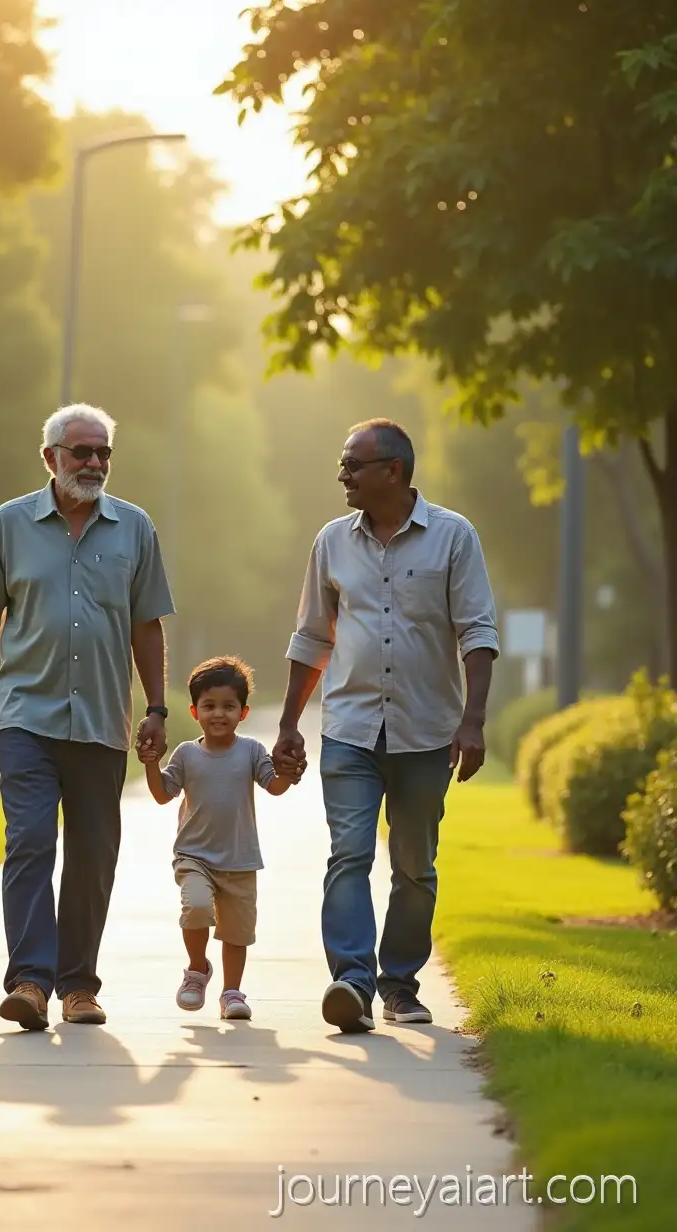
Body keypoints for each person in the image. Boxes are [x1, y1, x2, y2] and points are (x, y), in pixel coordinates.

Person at [272, 418, 500, 1034]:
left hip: (427, 732)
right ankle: (352, 981)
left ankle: (400, 984)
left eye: (353, 464)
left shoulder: (454, 537)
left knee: (414, 865)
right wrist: (291, 723)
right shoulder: (331, 541)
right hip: (349, 728)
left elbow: (477, 632)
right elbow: (312, 637)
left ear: (392, 471)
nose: (341, 474)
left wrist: (472, 721)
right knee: (348, 853)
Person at [0, 403, 175, 1032]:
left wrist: (157, 707)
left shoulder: (134, 529)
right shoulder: (9, 524)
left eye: (103, 452)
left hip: (103, 721)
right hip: (27, 714)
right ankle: (29, 980)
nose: (94, 462)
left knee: (93, 853)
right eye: (82, 451)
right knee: (28, 842)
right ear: (50, 457)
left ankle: (79, 986)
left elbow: (147, 624)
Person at [140, 657, 297, 1021]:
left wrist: (289, 773)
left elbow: (274, 786)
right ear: (195, 711)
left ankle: (231, 993)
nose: (218, 714)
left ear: (243, 712)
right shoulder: (186, 754)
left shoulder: (251, 751)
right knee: (195, 906)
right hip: (194, 855)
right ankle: (197, 969)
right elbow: (163, 794)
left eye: (228, 707)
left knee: (236, 933)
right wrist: (150, 762)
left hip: (240, 859)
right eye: (209, 706)